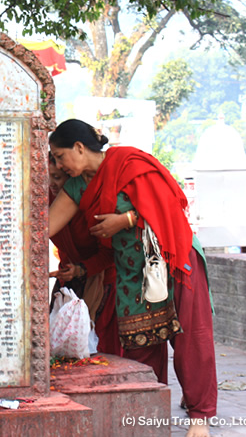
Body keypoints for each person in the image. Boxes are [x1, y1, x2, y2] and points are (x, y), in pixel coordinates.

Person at [48, 119, 217, 437]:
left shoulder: (127, 162)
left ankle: (199, 418)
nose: (57, 165)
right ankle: (151, 415)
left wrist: (124, 219)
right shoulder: (75, 185)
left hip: (173, 258)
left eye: (59, 156)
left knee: (190, 341)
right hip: (131, 272)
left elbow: (170, 206)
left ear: (80, 148)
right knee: (141, 345)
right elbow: (46, 227)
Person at [48, 153, 121, 356]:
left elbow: (109, 252)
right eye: (48, 177)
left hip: (102, 280)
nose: (51, 184)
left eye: (57, 177)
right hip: (69, 280)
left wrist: (82, 269)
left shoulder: (88, 203)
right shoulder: (46, 200)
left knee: (100, 348)